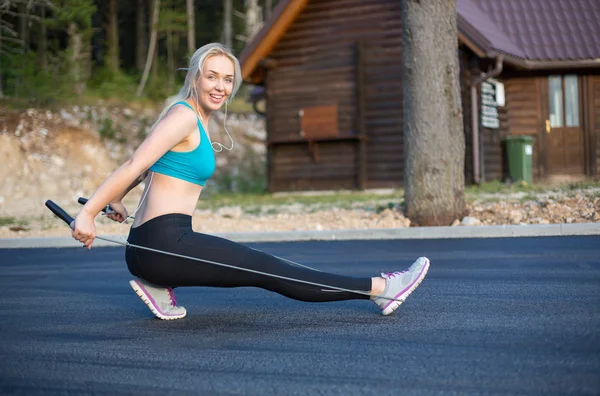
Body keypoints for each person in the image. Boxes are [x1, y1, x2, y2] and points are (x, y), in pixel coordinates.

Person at [71, 43, 430, 320]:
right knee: (270, 269)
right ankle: (382, 289)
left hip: (150, 248)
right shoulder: (183, 116)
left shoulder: (189, 117)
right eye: (211, 76)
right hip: (165, 244)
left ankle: (157, 285)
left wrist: (117, 200)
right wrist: (90, 213)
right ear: (195, 77)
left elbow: (151, 168)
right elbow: (135, 163)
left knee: (263, 265)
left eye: (228, 79)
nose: (220, 86)